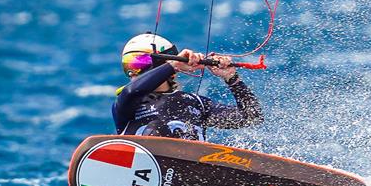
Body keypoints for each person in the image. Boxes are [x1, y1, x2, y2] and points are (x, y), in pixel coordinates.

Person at [113, 32, 263, 140]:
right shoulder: (127, 102)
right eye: (127, 65)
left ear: (161, 61)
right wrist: (173, 65)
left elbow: (252, 117)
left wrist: (232, 78)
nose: (132, 71)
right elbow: (132, 91)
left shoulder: (196, 103)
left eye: (138, 63)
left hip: (190, 175)